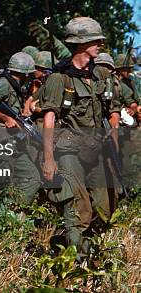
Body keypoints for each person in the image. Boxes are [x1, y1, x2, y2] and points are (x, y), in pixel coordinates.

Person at [37, 17, 120, 253]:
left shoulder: (98, 77)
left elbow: (110, 113)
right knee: (77, 207)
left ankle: (80, 247)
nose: (100, 44)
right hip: (68, 149)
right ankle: (75, 260)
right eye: (96, 40)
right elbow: (49, 119)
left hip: (95, 149)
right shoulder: (58, 78)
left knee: (105, 208)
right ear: (82, 43)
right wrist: (49, 158)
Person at [0, 52, 40, 204]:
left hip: (12, 141)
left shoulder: (15, 87)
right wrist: (6, 118)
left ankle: (11, 211)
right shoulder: (4, 84)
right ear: (24, 73)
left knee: (32, 178)